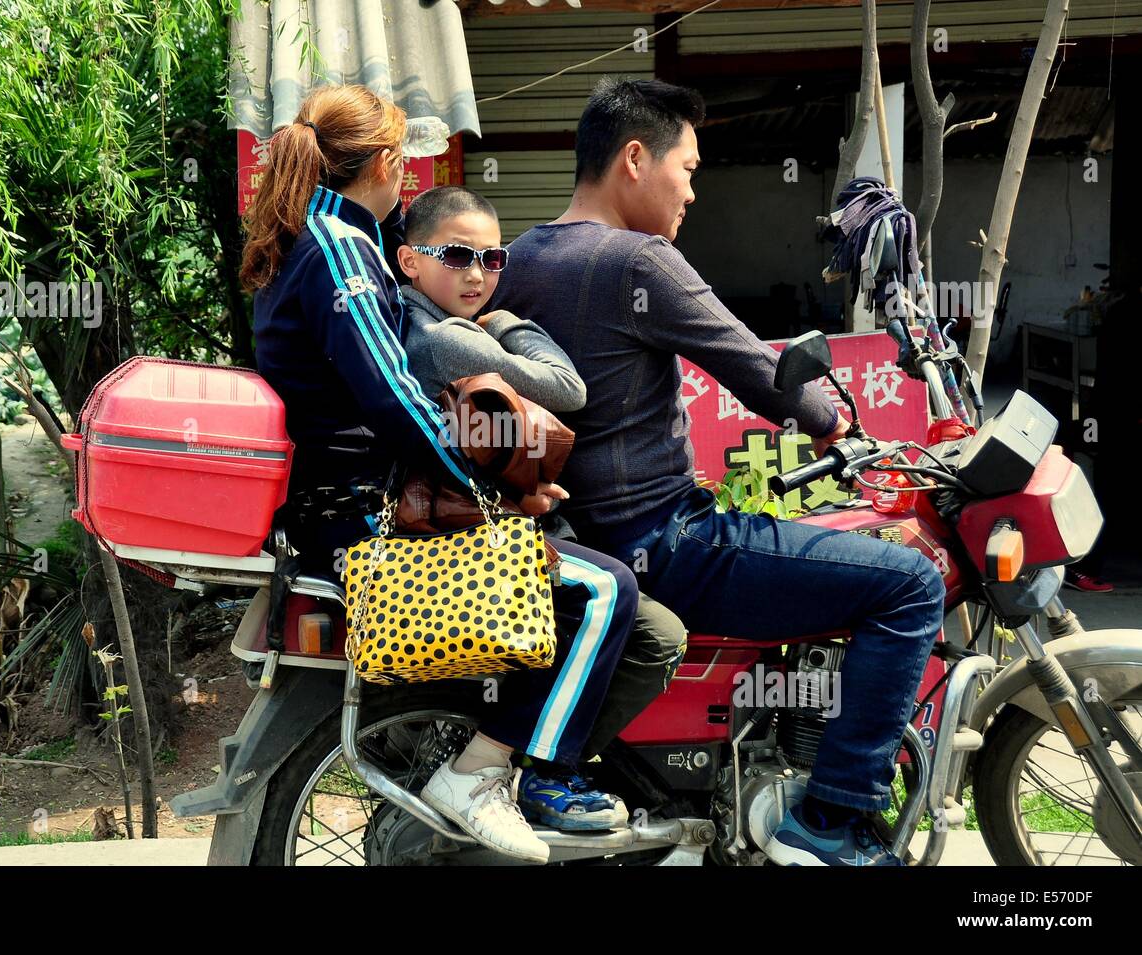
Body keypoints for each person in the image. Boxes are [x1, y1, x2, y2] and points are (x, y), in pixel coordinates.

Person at [487, 77, 946, 867]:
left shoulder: (520, 256)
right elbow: (754, 366)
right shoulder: (641, 261)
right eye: (688, 169)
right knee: (910, 584)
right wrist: (837, 420)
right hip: (663, 540)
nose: (692, 191)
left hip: (577, 536)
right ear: (635, 158)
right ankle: (832, 816)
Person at [243, 84, 638, 864]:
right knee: (606, 591)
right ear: (386, 163)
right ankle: (489, 773)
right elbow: (392, 395)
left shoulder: (323, 235)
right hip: (359, 516)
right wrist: (490, 493)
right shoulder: (337, 245)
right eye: (407, 162)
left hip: (354, 503)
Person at [395, 184, 688, 830]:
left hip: (484, 525)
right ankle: (499, 770)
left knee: (659, 635)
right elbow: (568, 387)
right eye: (457, 255)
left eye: (493, 260)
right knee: (611, 590)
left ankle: (544, 768)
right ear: (410, 260)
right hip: (460, 544)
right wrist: (507, 323)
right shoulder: (443, 337)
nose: (476, 274)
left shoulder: (443, 325)